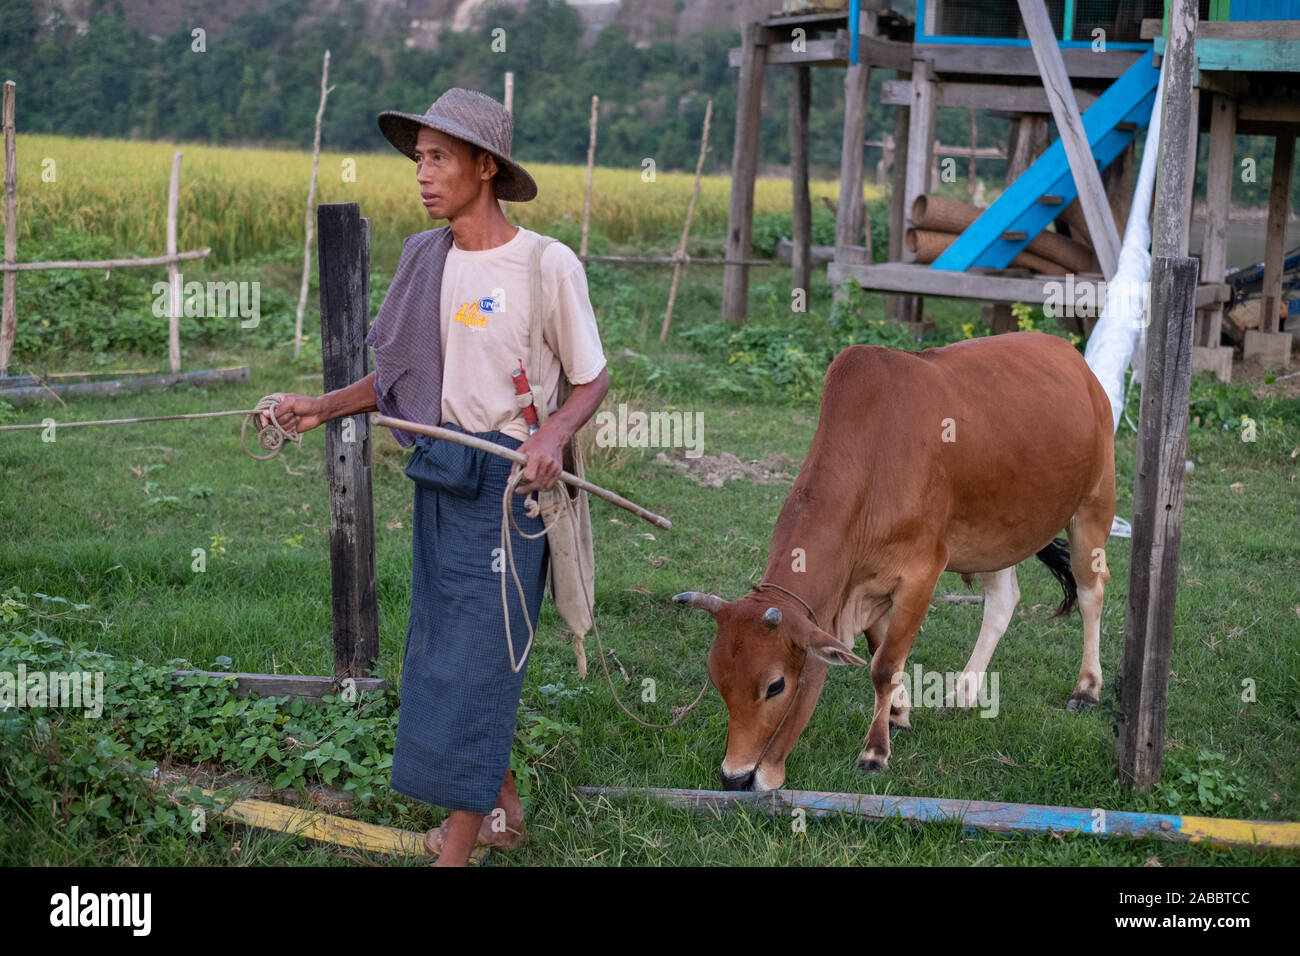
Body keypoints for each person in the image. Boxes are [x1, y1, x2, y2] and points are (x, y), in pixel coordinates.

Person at [261, 88, 609, 866]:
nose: (422, 173)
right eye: (418, 157)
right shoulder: (429, 258)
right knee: (445, 650)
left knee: (480, 659)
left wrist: (553, 433)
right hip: (442, 476)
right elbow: (400, 379)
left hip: (508, 489)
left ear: (486, 167)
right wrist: (318, 407)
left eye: (439, 158)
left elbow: (592, 378)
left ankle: (456, 851)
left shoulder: (546, 264)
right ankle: (503, 813)